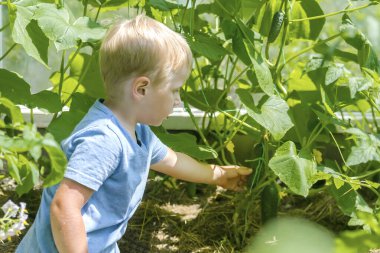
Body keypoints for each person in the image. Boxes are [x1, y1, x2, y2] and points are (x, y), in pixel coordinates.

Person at [16, 14, 252, 253]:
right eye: (174, 90)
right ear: (141, 89)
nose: (178, 101)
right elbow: (64, 207)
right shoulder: (103, 140)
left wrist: (218, 175)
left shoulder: (139, 132)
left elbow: (175, 161)